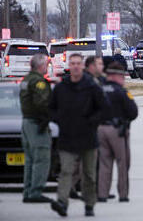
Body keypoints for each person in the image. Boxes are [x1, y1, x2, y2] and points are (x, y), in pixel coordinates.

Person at [49, 53, 105, 217]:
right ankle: (62, 202)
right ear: (68, 65)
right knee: (66, 171)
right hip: (67, 137)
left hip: (88, 136)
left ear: (82, 66)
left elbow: (103, 108)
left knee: (89, 174)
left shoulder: (92, 86)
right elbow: (51, 108)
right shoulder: (62, 87)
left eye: (78, 63)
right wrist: (60, 120)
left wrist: (92, 121)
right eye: (72, 63)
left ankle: (89, 204)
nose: (74, 66)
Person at [97, 61, 138, 203]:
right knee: (123, 163)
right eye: (123, 76)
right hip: (118, 130)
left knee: (104, 163)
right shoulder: (122, 91)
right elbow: (133, 112)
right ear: (115, 76)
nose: (124, 79)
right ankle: (123, 194)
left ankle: (102, 194)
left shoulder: (99, 89)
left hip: (100, 129)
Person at [19, 54, 53, 203]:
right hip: (36, 123)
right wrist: (48, 116)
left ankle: (27, 191)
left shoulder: (26, 80)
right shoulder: (39, 82)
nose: (47, 67)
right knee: (41, 158)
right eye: (45, 64)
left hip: (26, 122)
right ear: (41, 66)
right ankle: (35, 192)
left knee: (30, 160)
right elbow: (42, 102)